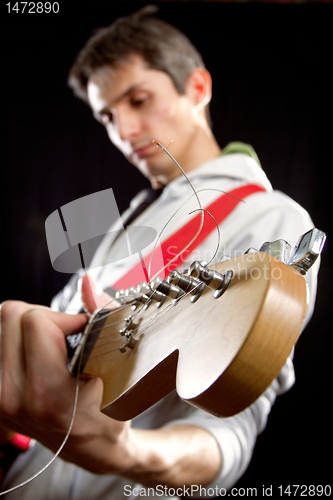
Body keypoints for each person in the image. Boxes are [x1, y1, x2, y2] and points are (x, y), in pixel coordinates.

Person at [0, 6, 319, 499]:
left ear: (198, 88)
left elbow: (232, 428)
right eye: (107, 114)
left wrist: (126, 454)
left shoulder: (274, 220)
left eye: (139, 99)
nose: (124, 131)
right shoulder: (120, 224)